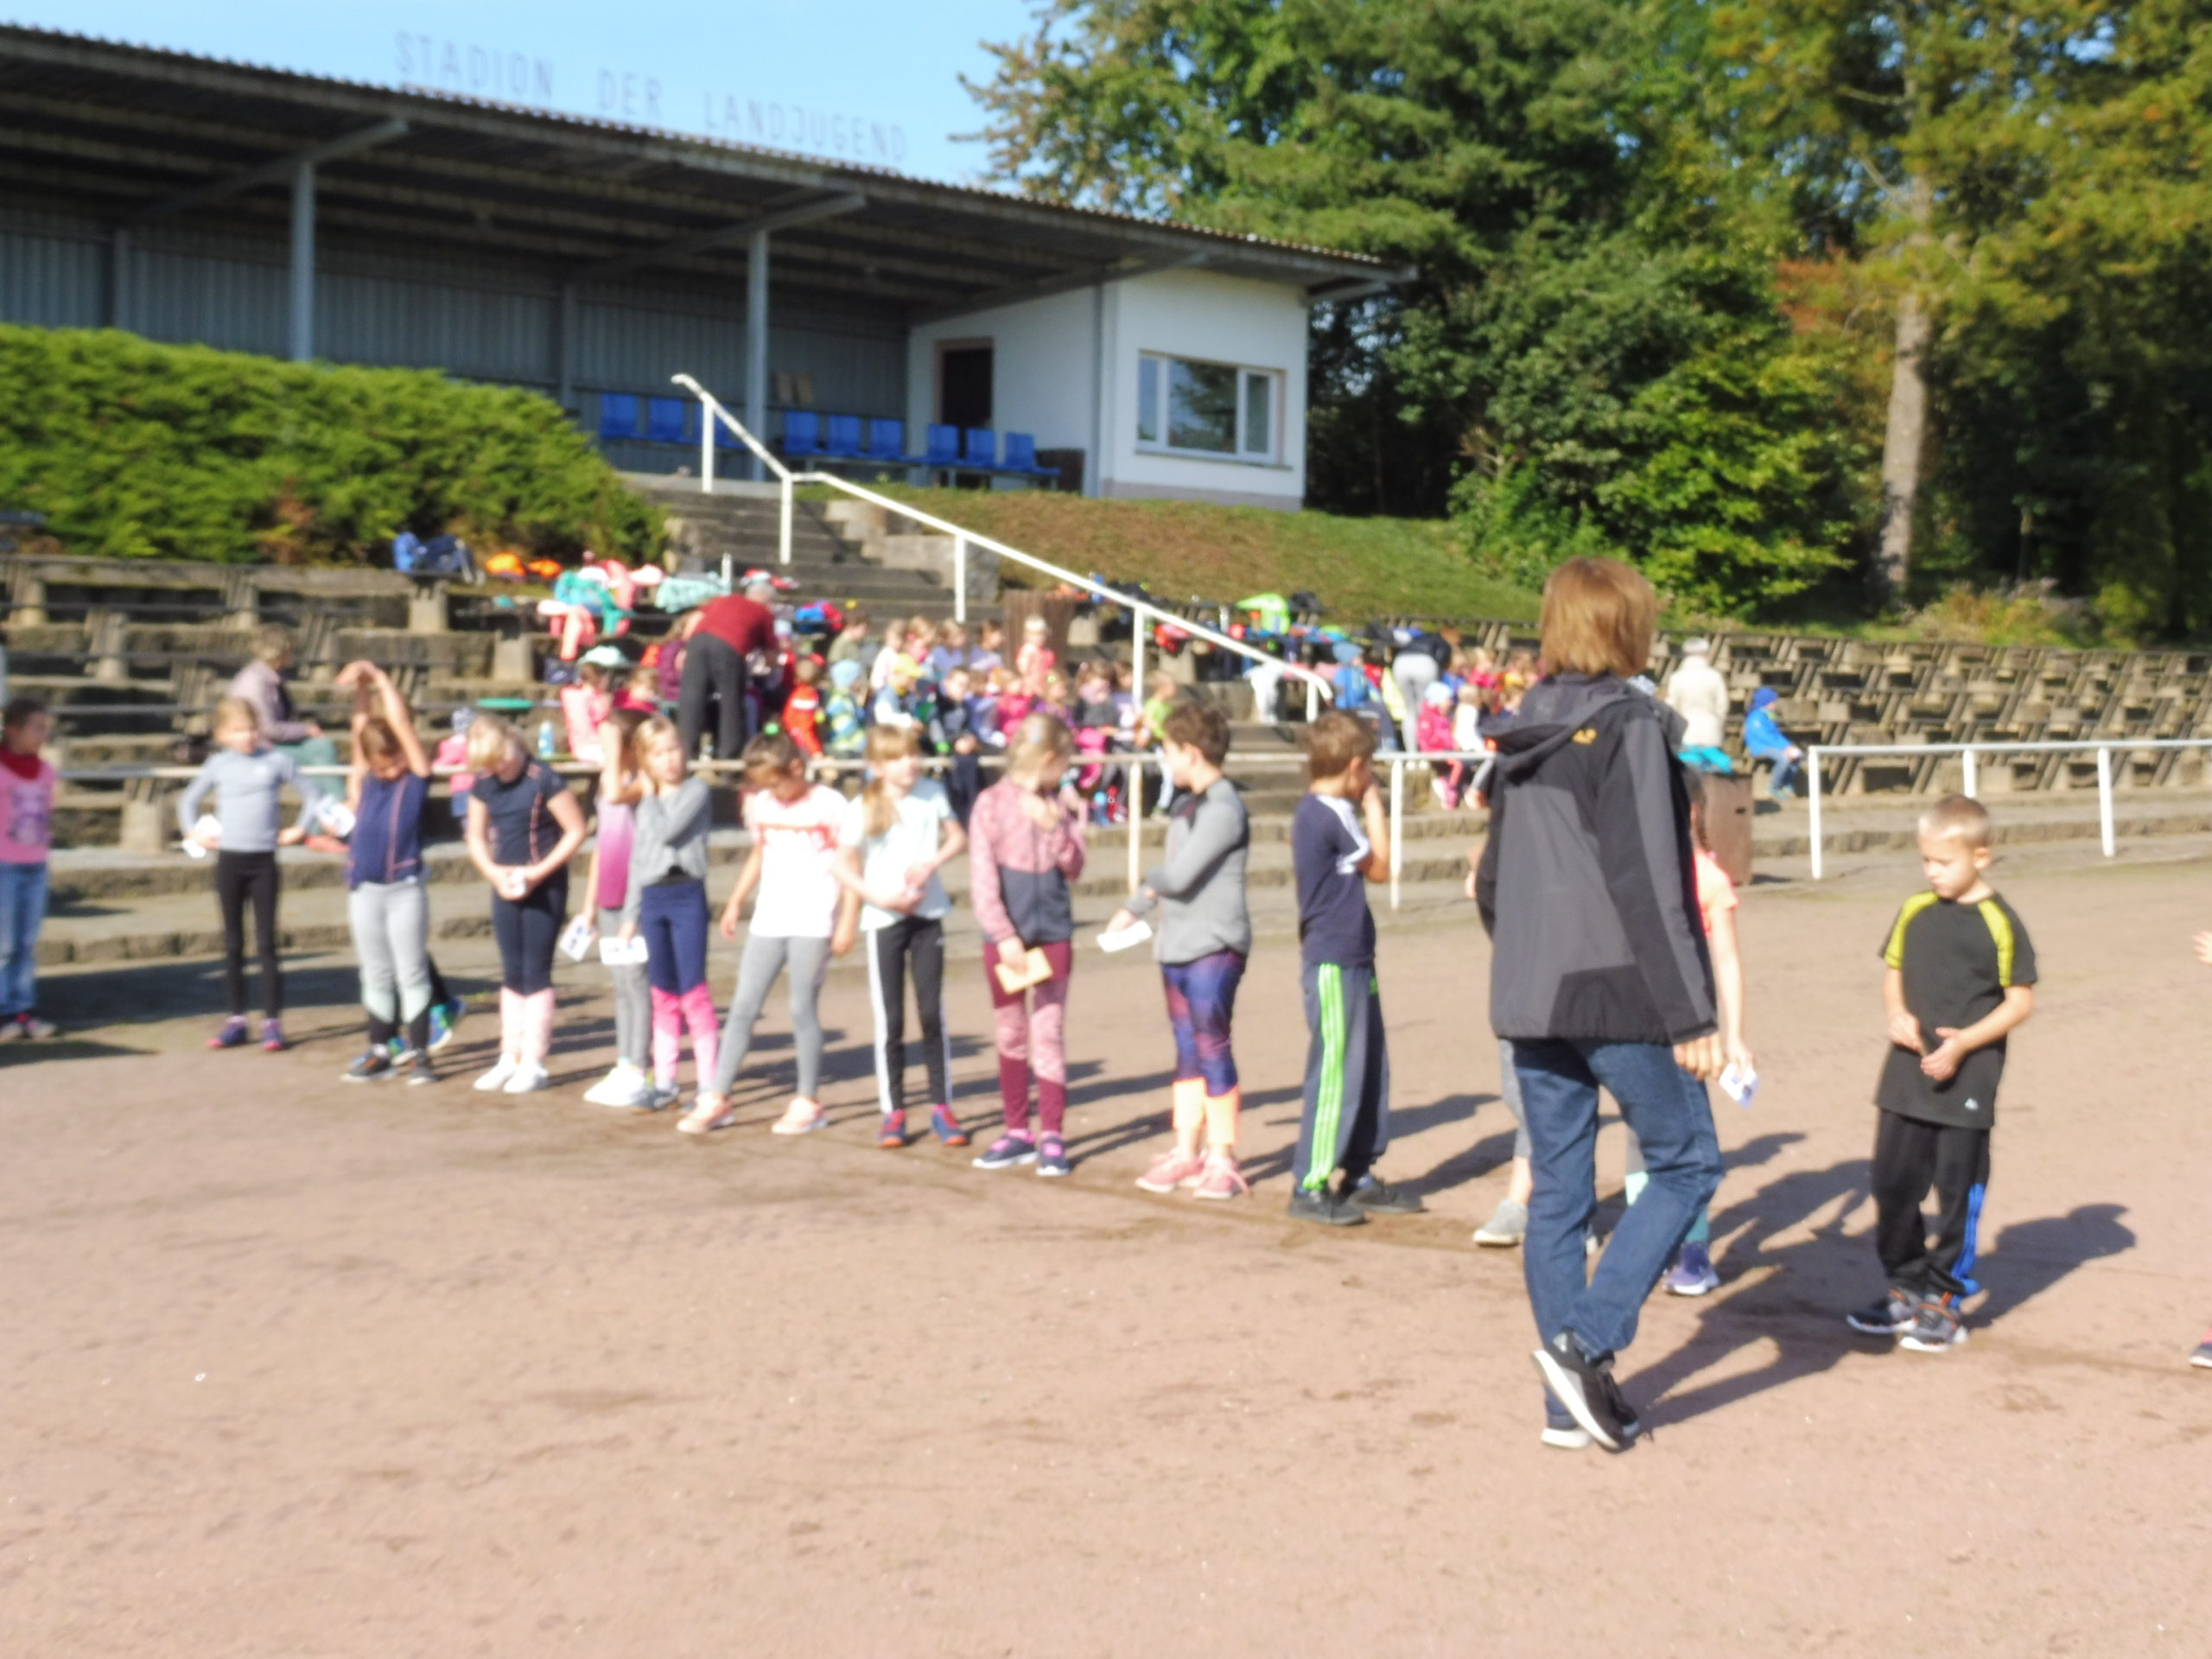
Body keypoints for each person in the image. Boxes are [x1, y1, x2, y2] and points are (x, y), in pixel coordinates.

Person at [1476, 556, 1725, 1453]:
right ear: (1628, 628)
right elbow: (1651, 882)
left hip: (1530, 992)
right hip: (1617, 990)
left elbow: (1492, 885)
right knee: (1688, 1164)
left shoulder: (1519, 731)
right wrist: (1693, 1014)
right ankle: (1584, 1345)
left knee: (1558, 1196)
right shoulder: (1629, 727)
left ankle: (1566, 1405)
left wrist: (1525, 961)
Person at [1847, 794, 2037, 1353]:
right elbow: (1894, 971)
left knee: (1956, 1195)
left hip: (1966, 1084)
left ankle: (1944, 1301)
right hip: (1904, 1079)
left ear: (1980, 857)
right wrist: (1897, 1014)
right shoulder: (1914, 910)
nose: (1932, 872)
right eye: (1926, 860)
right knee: (1891, 1185)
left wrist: (1965, 1045)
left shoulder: (2001, 921)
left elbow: (2019, 1002)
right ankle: (1905, 1287)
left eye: (1944, 862)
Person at [1617, 768, 1755, 1294]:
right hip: (1636, 1026)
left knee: (1688, 1141)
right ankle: (1648, 1245)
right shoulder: (1634, 872)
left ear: (1689, 813)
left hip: (1689, 1034)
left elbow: (1728, 961)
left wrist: (1733, 1035)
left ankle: (1694, 1252)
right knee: (1638, 1138)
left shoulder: (1708, 879)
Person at [1285, 711, 1425, 1225]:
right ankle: (1310, 1182)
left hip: (1353, 956)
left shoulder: (1320, 810)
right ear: (1355, 767)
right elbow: (1382, 867)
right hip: (1333, 958)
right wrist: (1374, 807)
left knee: (1368, 1066)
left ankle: (1358, 1171)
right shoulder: (1331, 813)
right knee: (1337, 1071)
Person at [1114, 702, 1255, 1200]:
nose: (1165, 761)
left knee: (1212, 1046)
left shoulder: (1224, 809)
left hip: (1214, 945)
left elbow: (1178, 876)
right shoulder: (1186, 806)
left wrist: (1143, 891)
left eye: (1169, 751)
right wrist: (1136, 907)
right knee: (1187, 1050)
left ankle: (1222, 1156)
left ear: (1192, 752)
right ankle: (1186, 1150)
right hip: (1177, 945)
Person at [686, 733, 854, 1136]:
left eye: (777, 784)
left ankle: (808, 1100)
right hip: (770, 916)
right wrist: (736, 900)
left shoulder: (830, 805)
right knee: (743, 1005)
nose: (772, 793)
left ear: (797, 768)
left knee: (801, 1008)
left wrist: (848, 919)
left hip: (814, 918)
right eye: (764, 786)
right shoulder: (761, 804)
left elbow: (850, 864)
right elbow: (760, 853)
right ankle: (718, 1095)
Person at [836, 722, 969, 1150]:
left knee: (931, 1013)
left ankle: (941, 1106)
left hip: (928, 916)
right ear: (877, 766)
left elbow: (958, 837)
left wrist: (931, 864)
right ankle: (893, 1111)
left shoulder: (932, 793)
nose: (909, 763)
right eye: (896, 757)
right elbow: (840, 864)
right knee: (891, 1020)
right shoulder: (861, 806)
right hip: (883, 920)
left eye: (913, 754)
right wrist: (879, 897)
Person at [966, 714, 1086, 1174]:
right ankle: (1017, 1131)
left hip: (1053, 935)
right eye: (1066, 763)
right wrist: (1004, 936)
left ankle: (1052, 1133)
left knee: (1048, 1033)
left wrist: (1056, 828)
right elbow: (982, 882)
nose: (1067, 772)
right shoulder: (990, 805)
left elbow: (1076, 867)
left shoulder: (1058, 803)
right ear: (1050, 758)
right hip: (1007, 944)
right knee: (1011, 1033)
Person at [179, 696, 330, 1052]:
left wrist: (300, 829)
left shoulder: (277, 761)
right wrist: (192, 833)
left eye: (250, 729)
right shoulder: (218, 764)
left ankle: (273, 1022)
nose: (246, 736)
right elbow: (188, 801)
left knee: (266, 944)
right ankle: (236, 1019)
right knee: (233, 943)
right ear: (222, 734)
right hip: (230, 861)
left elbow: (313, 794)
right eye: (237, 731)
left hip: (263, 862)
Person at [462, 713, 588, 1094]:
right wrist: (494, 873)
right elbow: (476, 837)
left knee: (536, 972)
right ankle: (509, 1056)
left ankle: (534, 1061)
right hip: (505, 884)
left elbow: (576, 830)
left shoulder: (543, 778)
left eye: (499, 758)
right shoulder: (484, 784)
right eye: (489, 763)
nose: (497, 768)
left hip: (544, 885)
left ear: (512, 743)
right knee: (512, 972)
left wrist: (537, 873)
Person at [334, 661, 438, 1085]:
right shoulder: (366, 781)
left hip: (405, 890)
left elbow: (399, 722)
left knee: (411, 972)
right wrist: (361, 691)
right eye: (380, 767)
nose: (388, 772)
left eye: (393, 764)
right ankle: (380, 1050)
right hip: (365, 890)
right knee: (375, 973)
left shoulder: (415, 779)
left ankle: (419, 1053)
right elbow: (361, 728)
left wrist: (380, 679)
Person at [619, 716, 722, 1111]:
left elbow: (668, 831)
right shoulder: (646, 804)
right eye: (659, 754)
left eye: (674, 749)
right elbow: (639, 860)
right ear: (646, 760)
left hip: (686, 894)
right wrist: (630, 916)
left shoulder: (696, 790)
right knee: (662, 992)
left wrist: (649, 795)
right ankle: (665, 1081)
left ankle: (709, 1084)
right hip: (653, 898)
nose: (669, 759)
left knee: (694, 992)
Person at [582, 707, 655, 1109]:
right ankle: (625, 1061)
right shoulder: (606, 782)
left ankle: (640, 1068)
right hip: (609, 894)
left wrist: (613, 753)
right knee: (621, 983)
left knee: (636, 981)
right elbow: (600, 847)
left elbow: (615, 794)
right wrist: (588, 905)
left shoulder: (644, 781)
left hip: (636, 896)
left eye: (610, 737)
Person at [0, 696, 57, 1040]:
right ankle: (3, 1012)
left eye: (45, 729)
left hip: (35, 866)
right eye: (36, 728)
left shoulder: (46, 771)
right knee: (3, 944)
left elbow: (47, 814)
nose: (43, 735)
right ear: (13, 730)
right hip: (4, 867)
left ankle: (24, 1010)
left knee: (26, 943)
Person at [680, 578, 779, 762]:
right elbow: (771, 658)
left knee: (691, 701)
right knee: (731, 704)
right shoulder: (764, 613)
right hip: (730, 648)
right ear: (770, 603)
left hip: (698, 642)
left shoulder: (724, 599)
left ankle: (686, 756)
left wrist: (685, 648)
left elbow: (694, 619)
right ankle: (729, 760)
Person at [228, 625, 338, 770]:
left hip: (273, 743)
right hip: (259, 748)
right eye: (290, 651)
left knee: (320, 745)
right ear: (280, 653)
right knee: (320, 750)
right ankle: (334, 786)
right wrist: (305, 730)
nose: (292, 656)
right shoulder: (255, 682)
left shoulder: (269, 677)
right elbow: (268, 729)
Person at [1664, 639, 1729, 753]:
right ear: (1704, 654)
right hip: (1710, 730)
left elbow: (1672, 706)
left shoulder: (1676, 677)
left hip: (1685, 731)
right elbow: (1722, 705)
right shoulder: (1715, 676)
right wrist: (1719, 722)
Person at [1744, 687, 1803, 799]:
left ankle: (1786, 784)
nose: (1775, 704)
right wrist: (1783, 748)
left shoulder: (1769, 715)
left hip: (1774, 745)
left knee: (1798, 755)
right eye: (1773, 702)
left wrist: (1788, 746)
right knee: (1784, 758)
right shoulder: (1756, 717)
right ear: (1765, 702)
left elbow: (1776, 734)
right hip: (1760, 747)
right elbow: (1764, 736)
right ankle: (1774, 787)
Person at [822, 658, 868, 760]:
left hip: (852, 749)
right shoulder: (839, 701)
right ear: (849, 680)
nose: (861, 682)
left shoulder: (848, 698)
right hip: (844, 750)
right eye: (858, 678)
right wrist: (868, 745)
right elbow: (848, 730)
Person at [783, 656, 825, 758]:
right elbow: (804, 730)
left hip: (796, 739)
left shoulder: (802, 693)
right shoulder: (805, 698)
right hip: (800, 744)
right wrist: (816, 752)